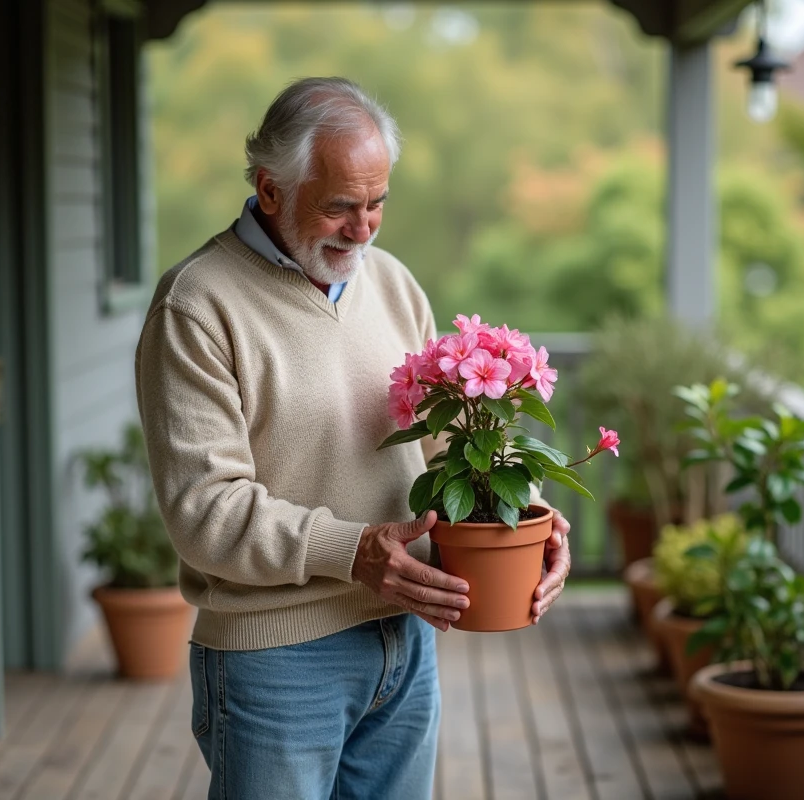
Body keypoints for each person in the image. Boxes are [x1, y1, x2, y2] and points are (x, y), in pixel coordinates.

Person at [134, 77, 572, 800]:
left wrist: (528, 517)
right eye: (340, 205)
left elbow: (450, 449)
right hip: (276, 658)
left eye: (377, 204)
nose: (364, 228)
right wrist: (355, 551)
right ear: (271, 189)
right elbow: (205, 513)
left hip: (406, 640)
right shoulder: (197, 305)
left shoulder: (393, 285)